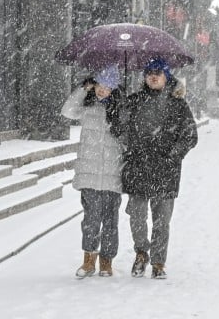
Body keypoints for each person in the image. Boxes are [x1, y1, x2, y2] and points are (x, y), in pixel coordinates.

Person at [120, 57, 199, 280]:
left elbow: (190, 136)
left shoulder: (178, 104)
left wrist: (173, 156)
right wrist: (128, 145)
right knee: (136, 217)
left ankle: (158, 261)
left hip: (166, 170)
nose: (153, 76)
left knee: (162, 221)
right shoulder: (133, 101)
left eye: (158, 73)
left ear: (166, 76)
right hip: (138, 167)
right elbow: (120, 128)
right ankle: (142, 252)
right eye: (149, 73)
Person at [61, 66, 124, 278]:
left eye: (107, 87)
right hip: (89, 173)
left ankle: (106, 261)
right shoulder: (87, 106)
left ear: (114, 88)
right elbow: (67, 111)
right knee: (90, 220)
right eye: (99, 85)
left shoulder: (121, 109)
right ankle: (89, 260)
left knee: (110, 222)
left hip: (113, 174)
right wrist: (82, 89)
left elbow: (128, 139)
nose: (102, 90)